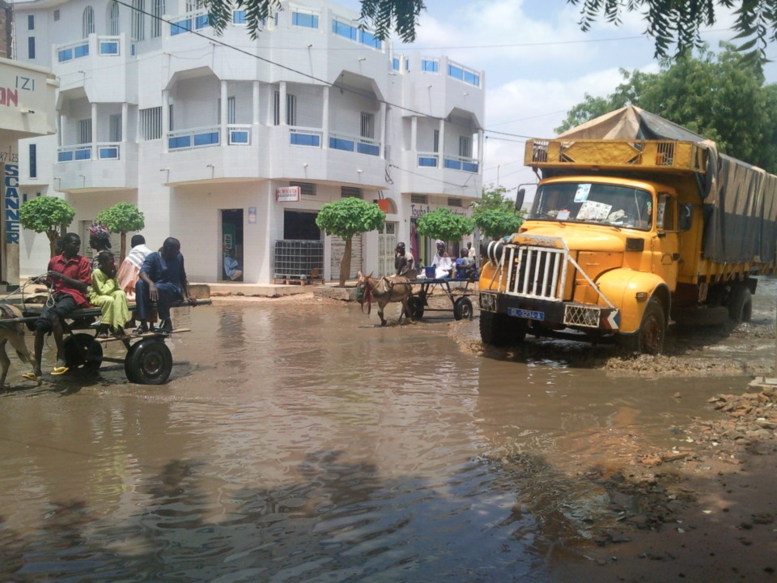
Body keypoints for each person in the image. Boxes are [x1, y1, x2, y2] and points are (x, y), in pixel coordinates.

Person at [24, 232, 93, 380]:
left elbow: (83, 286)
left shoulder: (83, 262)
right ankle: (37, 367)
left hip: (73, 295)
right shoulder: (54, 261)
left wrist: (63, 277)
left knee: (55, 315)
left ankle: (61, 356)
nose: (77, 246)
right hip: (56, 295)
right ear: (66, 244)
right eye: (74, 243)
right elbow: (52, 284)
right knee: (40, 326)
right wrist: (42, 280)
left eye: (78, 244)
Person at [135, 237, 195, 334]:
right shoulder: (153, 257)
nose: (178, 252)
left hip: (173, 289)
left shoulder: (179, 257)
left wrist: (188, 294)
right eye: (176, 249)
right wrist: (150, 283)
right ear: (168, 248)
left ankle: (167, 321)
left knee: (159, 287)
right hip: (157, 291)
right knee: (140, 283)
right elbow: (142, 273)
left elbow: (182, 276)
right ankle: (143, 323)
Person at [89, 250, 131, 338]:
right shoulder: (97, 273)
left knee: (121, 294)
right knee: (109, 300)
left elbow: (117, 288)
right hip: (97, 296)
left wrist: (113, 277)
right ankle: (104, 327)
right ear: (103, 263)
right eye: (111, 262)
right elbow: (102, 291)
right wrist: (111, 278)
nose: (114, 264)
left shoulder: (111, 272)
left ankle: (118, 325)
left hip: (110, 294)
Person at [118, 234, 153, 300]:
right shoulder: (151, 255)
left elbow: (121, 277)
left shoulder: (129, 259)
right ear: (144, 243)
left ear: (132, 246)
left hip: (132, 293)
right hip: (150, 290)